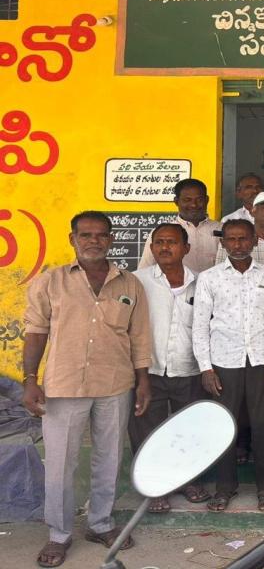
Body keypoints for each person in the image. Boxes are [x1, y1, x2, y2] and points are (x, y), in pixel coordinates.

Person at [23, 211, 151, 568]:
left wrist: (143, 380)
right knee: (60, 463)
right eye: (86, 235)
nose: (94, 241)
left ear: (111, 239)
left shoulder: (129, 284)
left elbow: (139, 336)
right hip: (64, 386)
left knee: (109, 458)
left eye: (101, 235)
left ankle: (100, 523)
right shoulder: (51, 282)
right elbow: (36, 332)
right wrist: (30, 380)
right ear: (72, 239)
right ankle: (59, 534)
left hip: (115, 383)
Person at [192, 219, 264, 513]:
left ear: (255, 241)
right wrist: (206, 367)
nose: (238, 244)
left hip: (262, 361)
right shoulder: (210, 278)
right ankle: (224, 488)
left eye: (243, 238)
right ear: (223, 243)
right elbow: (200, 325)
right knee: (223, 427)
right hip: (223, 363)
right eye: (231, 239)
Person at [130, 223, 208, 514]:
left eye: (172, 242)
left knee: (188, 431)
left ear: (186, 248)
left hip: (189, 369)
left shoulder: (202, 282)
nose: (165, 247)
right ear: (151, 248)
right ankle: (153, 487)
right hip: (148, 370)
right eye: (159, 242)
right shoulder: (137, 281)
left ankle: (188, 480)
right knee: (146, 430)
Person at [137, 178, 222, 273]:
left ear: (207, 200)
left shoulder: (221, 229)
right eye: (187, 200)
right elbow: (144, 270)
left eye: (199, 200)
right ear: (176, 201)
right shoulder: (162, 233)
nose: (194, 205)